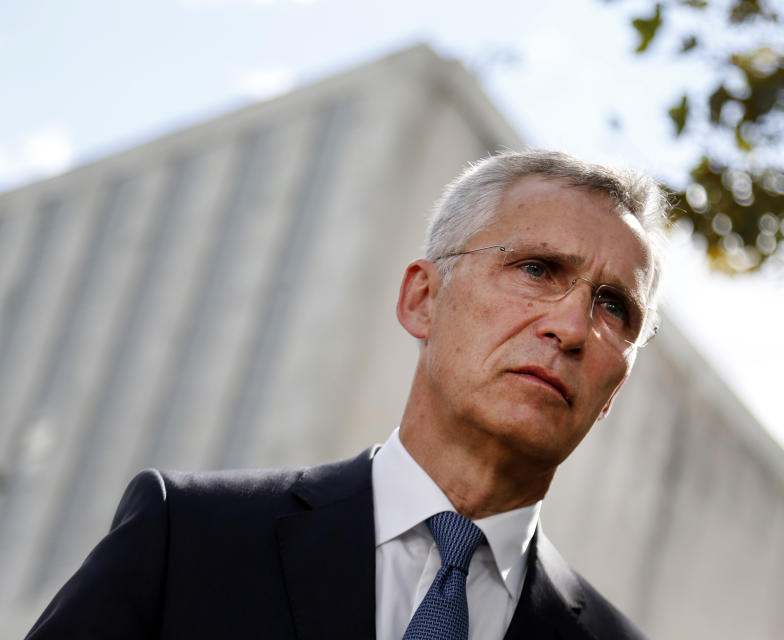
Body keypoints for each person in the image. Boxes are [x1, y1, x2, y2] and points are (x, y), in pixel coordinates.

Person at [26, 150, 667, 640]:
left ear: (617, 385)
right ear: (423, 299)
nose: (574, 327)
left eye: (614, 307)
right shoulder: (187, 537)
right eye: (536, 268)